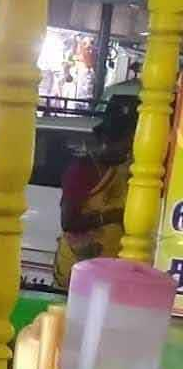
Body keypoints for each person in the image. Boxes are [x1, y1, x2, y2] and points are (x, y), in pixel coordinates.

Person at [56, 95, 136, 288]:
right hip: (81, 268)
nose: (126, 150)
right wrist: (111, 217)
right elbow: (68, 222)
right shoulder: (83, 170)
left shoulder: (124, 169)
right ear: (104, 140)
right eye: (121, 144)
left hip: (110, 268)